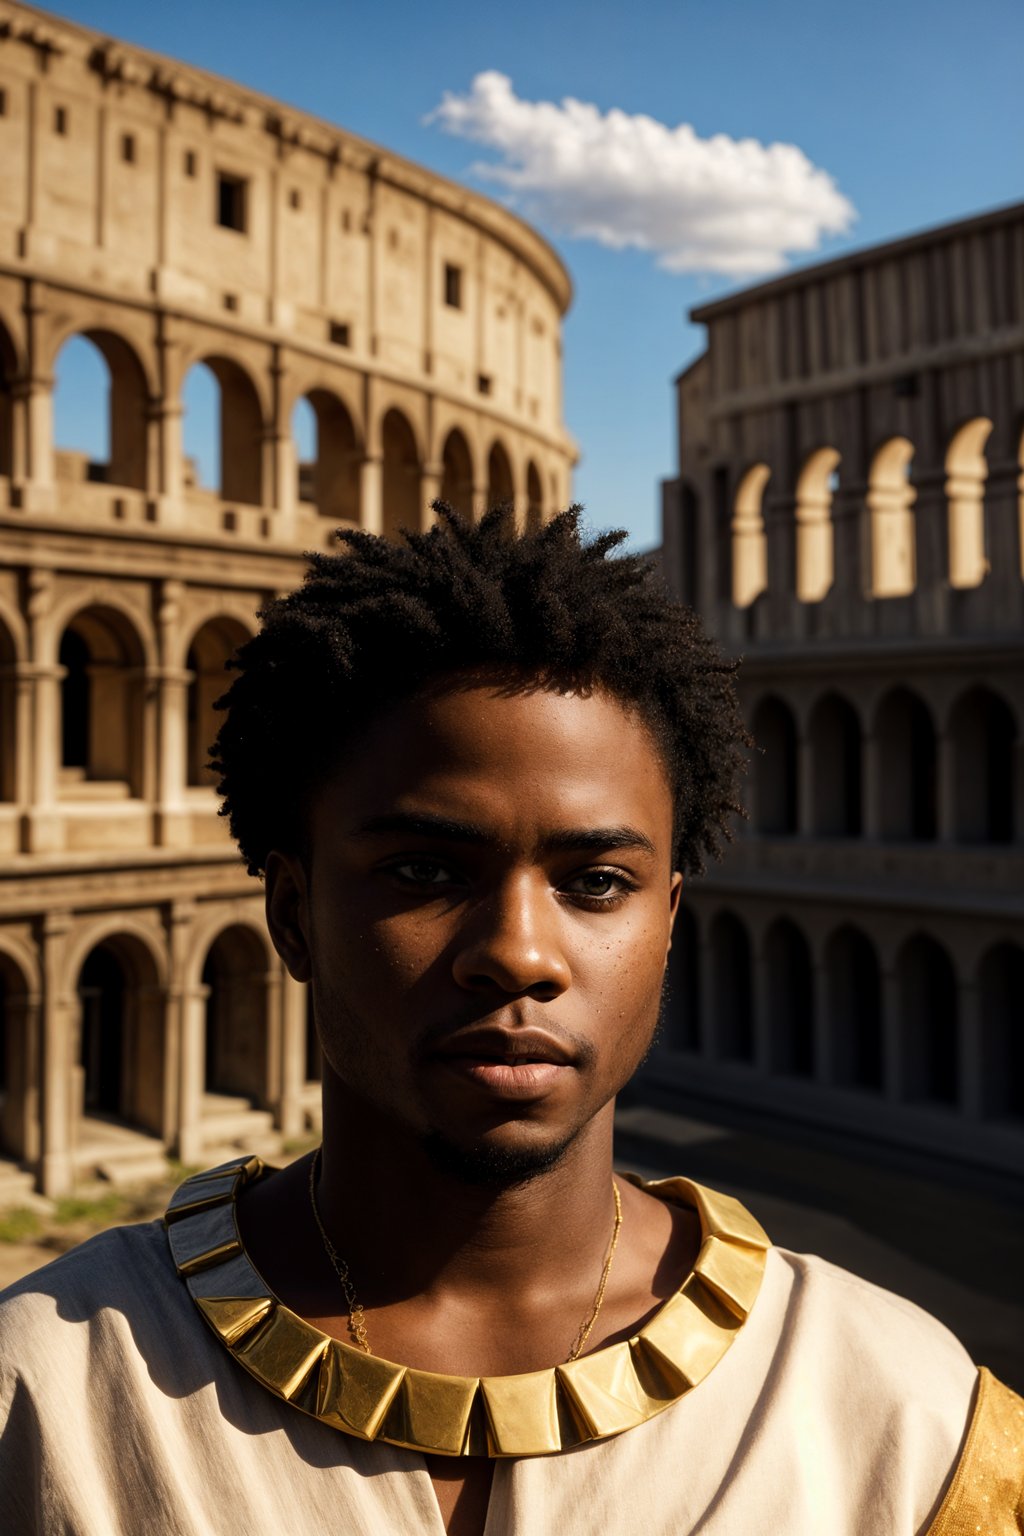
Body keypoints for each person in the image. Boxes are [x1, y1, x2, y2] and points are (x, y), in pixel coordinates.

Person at [0, 506, 1020, 1536]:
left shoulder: (903, 1419)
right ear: (292, 915)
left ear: (667, 923)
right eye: (426, 872)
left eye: (595, 882)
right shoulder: (49, 1392)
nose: (519, 954)